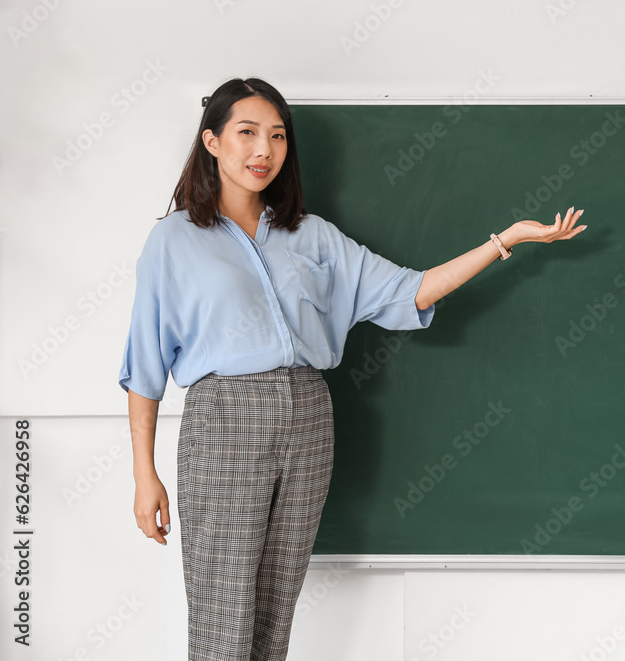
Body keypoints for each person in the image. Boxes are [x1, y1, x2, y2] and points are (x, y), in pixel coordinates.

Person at [118, 76, 585, 661]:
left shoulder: (311, 236)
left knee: (272, 619)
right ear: (212, 141)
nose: (264, 150)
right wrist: (145, 474)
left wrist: (505, 240)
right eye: (247, 133)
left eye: (278, 136)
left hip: (309, 418)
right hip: (225, 423)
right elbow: (144, 365)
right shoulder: (174, 240)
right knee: (224, 616)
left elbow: (410, 292)